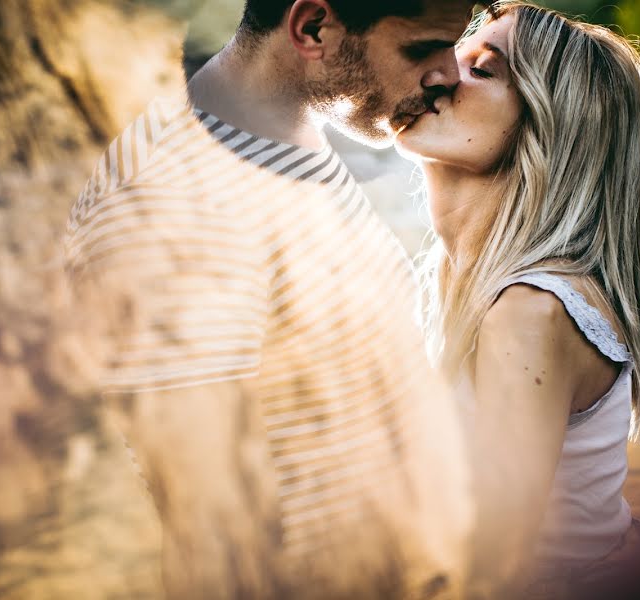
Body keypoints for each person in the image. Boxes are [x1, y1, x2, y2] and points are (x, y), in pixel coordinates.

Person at [65, 1, 484, 598]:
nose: (448, 73)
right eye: (420, 49)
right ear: (312, 28)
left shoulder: (284, 131)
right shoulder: (172, 202)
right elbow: (210, 535)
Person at [394, 1, 640, 597]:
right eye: (453, 52)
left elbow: (498, 569)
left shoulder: (528, 309)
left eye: (483, 70)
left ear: (551, 124)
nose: (436, 73)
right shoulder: (467, 282)